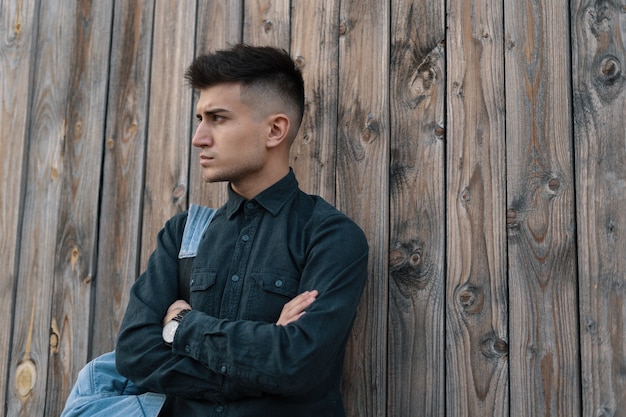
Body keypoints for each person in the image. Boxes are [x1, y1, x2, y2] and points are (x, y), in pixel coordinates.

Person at [63, 44, 368, 417]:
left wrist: (182, 326)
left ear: (275, 130)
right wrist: (261, 366)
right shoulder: (182, 236)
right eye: (199, 118)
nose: (199, 137)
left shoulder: (330, 236)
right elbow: (135, 351)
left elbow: (298, 363)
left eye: (218, 118)